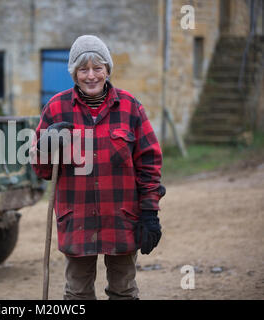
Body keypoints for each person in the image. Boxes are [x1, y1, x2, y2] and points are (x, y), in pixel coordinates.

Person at [32, 35, 166, 300]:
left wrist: (150, 212)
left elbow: (149, 163)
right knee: (77, 293)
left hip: (122, 217)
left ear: (107, 70)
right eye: (83, 69)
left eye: (98, 68)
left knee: (124, 291)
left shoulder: (130, 107)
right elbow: (42, 170)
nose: (91, 75)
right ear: (74, 73)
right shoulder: (56, 108)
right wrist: (46, 145)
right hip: (77, 219)